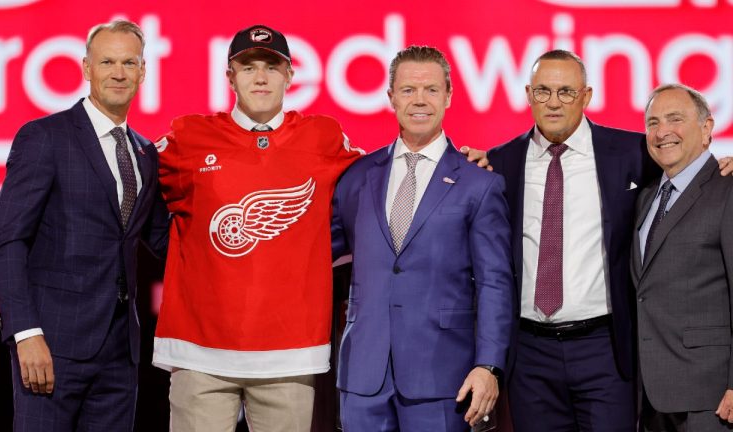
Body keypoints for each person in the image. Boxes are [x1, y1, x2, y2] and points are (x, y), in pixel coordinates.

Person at [152, 24, 364, 431]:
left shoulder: (323, 136)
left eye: (272, 66)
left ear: (290, 75)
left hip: (289, 353)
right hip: (200, 353)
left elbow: (387, 176)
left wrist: (461, 164)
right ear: (230, 77)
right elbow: (128, 184)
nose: (261, 77)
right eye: (248, 67)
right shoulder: (187, 136)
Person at [0, 20, 169, 431]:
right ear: (86, 68)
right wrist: (25, 333)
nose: (118, 73)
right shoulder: (44, 137)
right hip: (51, 344)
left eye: (129, 62)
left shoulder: (145, 152)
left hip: (120, 353)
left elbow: (164, 239)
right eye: (107, 61)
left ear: (143, 72)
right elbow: (7, 242)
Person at [331, 45, 514, 431]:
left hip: (444, 377)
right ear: (391, 97)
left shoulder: (479, 184)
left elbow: (496, 283)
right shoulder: (357, 177)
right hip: (364, 375)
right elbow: (322, 254)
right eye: (408, 90)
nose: (419, 100)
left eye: (431, 89)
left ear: (448, 96)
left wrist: (489, 365)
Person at [487, 49, 661, 431]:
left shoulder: (632, 152)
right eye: (543, 91)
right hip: (530, 353)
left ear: (587, 96)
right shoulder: (500, 163)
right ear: (528, 94)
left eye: (566, 91)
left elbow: (687, 166)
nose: (553, 102)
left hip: (604, 348)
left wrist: (720, 165)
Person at [632, 84, 733, 431]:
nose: (662, 132)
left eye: (676, 119)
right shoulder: (646, 197)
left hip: (711, 396)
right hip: (651, 397)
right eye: (653, 122)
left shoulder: (728, 189)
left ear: (707, 130)